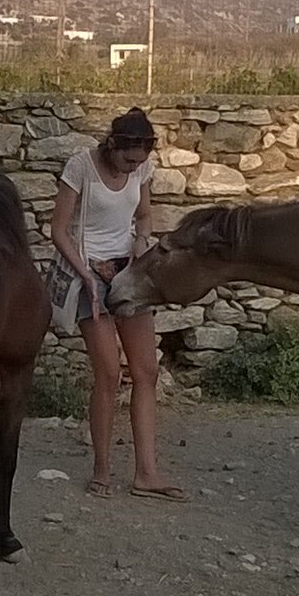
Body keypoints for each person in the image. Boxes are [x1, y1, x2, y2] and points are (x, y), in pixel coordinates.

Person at [50, 107, 186, 502]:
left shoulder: (141, 169)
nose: (132, 167)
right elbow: (59, 229)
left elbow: (143, 217)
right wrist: (87, 275)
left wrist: (142, 243)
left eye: (139, 162)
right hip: (87, 272)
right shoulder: (80, 167)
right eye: (128, 160)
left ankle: (147, 472)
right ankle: (102, 468)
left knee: (146, 372)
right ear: (112, 147)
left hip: (128, 274)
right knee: (108, 374)